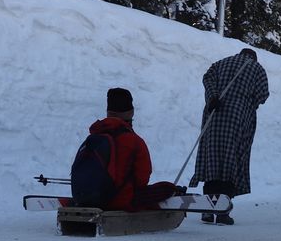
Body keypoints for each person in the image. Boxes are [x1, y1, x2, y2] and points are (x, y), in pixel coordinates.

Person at [191, 48, 269, 225]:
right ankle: (223, 212)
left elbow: (207, 78)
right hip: (238, 118)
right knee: (231, 161)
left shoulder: (220, 63)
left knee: (212, 160)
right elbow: (263, 94)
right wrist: (248, 102)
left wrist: (212, 98)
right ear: (253, 58)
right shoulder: (257, 69)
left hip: (213, 116)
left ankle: (207, 210)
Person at [71, 87, 182, 211]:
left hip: (87, 199)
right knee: (167, 188)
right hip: (120, 201)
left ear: (108, 111)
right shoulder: (134, 141)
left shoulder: (93, 137)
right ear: (131, 112)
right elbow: (142, 179)